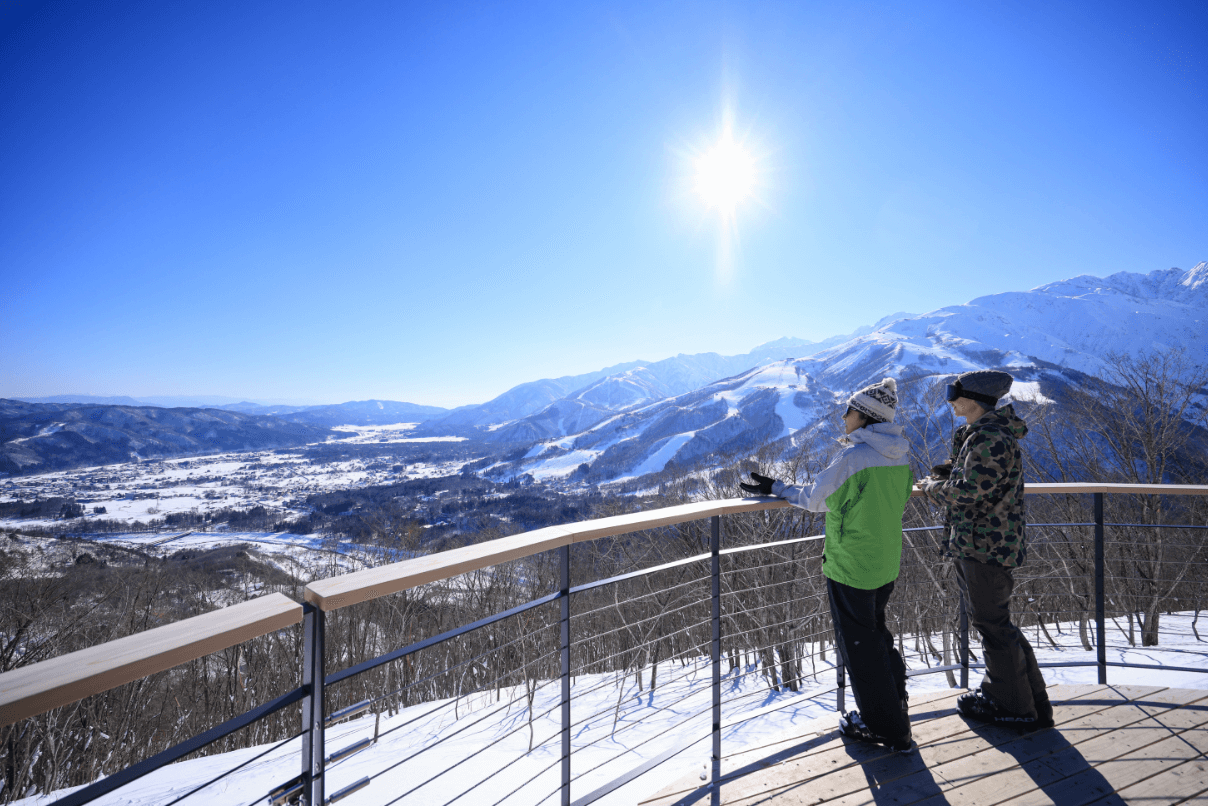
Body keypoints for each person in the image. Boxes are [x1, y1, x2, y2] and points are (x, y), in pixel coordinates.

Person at [739, 377, 915, 752]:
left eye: (849, 410)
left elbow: (818, 499)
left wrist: (777, 488)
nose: (844, 417)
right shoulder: (899, 455)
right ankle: (896, 710)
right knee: (878, 638)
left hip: (852, 565)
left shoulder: (855, 458)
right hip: (884, 562)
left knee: (860, 648)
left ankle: (886, 727)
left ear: (864, 416)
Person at [917, 369, 1052, 729]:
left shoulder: (989, 437)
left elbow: (968, 492)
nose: (949, 399)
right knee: (997, 623)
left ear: (973, 399)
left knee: (993, 625)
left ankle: (1012, 706)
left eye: (953, 392)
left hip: (985, 544)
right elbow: (976, 480)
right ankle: (1032, 703)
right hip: (985, 540)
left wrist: (931, 487)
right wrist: (951, 471)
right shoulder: (982, 434)